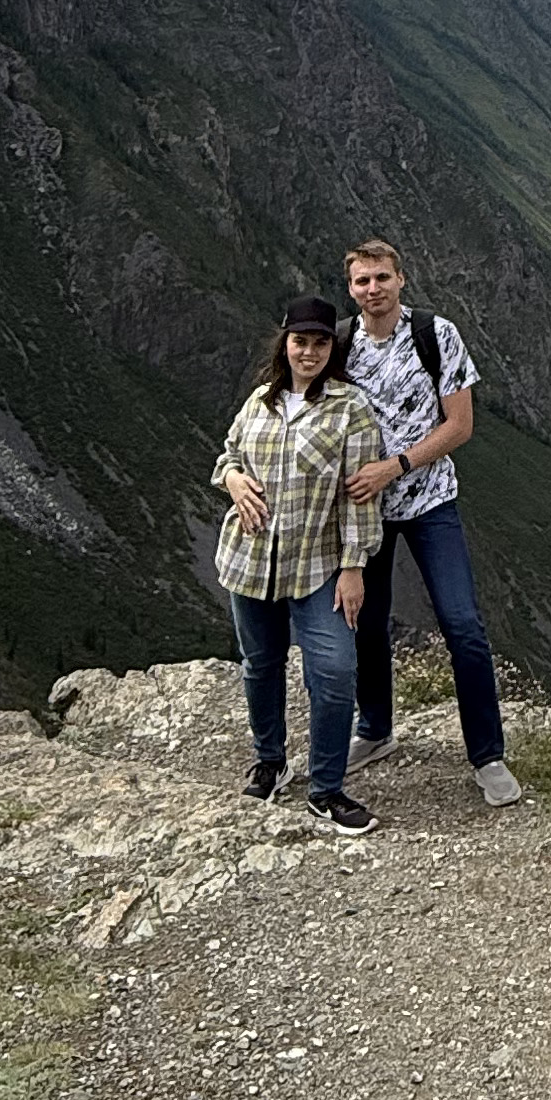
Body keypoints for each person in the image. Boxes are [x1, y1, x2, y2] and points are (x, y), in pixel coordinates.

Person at [340, 236, 522, 803]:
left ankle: (487, 756)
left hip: (430, 501)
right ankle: (375, 729)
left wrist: (395, 466)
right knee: (367, 622)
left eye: (382, 278)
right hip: (365, 509)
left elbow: (459, 425)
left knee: (462, 624)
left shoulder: (435, 335)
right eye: (363, 280)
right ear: (351, 288)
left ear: (401, 280)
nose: (373, 288)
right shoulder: (340, 345)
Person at [213, 293, 385, 829]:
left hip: (318, 565)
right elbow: (229, 454)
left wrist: (354, 566)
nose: (308, 352)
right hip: (251, 559)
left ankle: (326, 788)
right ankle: (271, 762)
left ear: (332, 348)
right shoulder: (259, 401)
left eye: (319, 343)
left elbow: (360, 494)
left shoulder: (351, 408)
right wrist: (232, 479)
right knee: (260, 664)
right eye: (300, 341)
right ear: (284, 344)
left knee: (334, 670)